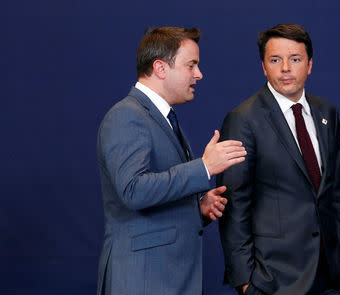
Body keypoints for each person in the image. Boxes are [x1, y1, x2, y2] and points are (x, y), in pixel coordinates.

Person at [96, 27, 247, 295]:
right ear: (160, 68)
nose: (199, 74)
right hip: (143, 282)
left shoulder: (162, 118)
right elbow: (133, 190)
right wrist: (204, 167)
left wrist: (196, 209)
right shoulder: (126, 116)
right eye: (192, 65)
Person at [218, 24, 340, 295]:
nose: (285, 68)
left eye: (295, 59)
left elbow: (338, 192)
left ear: (310, 64)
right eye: (275, 60)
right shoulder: (243, 120)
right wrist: (246, 282)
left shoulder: (327, 113)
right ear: (263, 67)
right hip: (275, 280)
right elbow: (234, 205)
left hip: (333, 276)